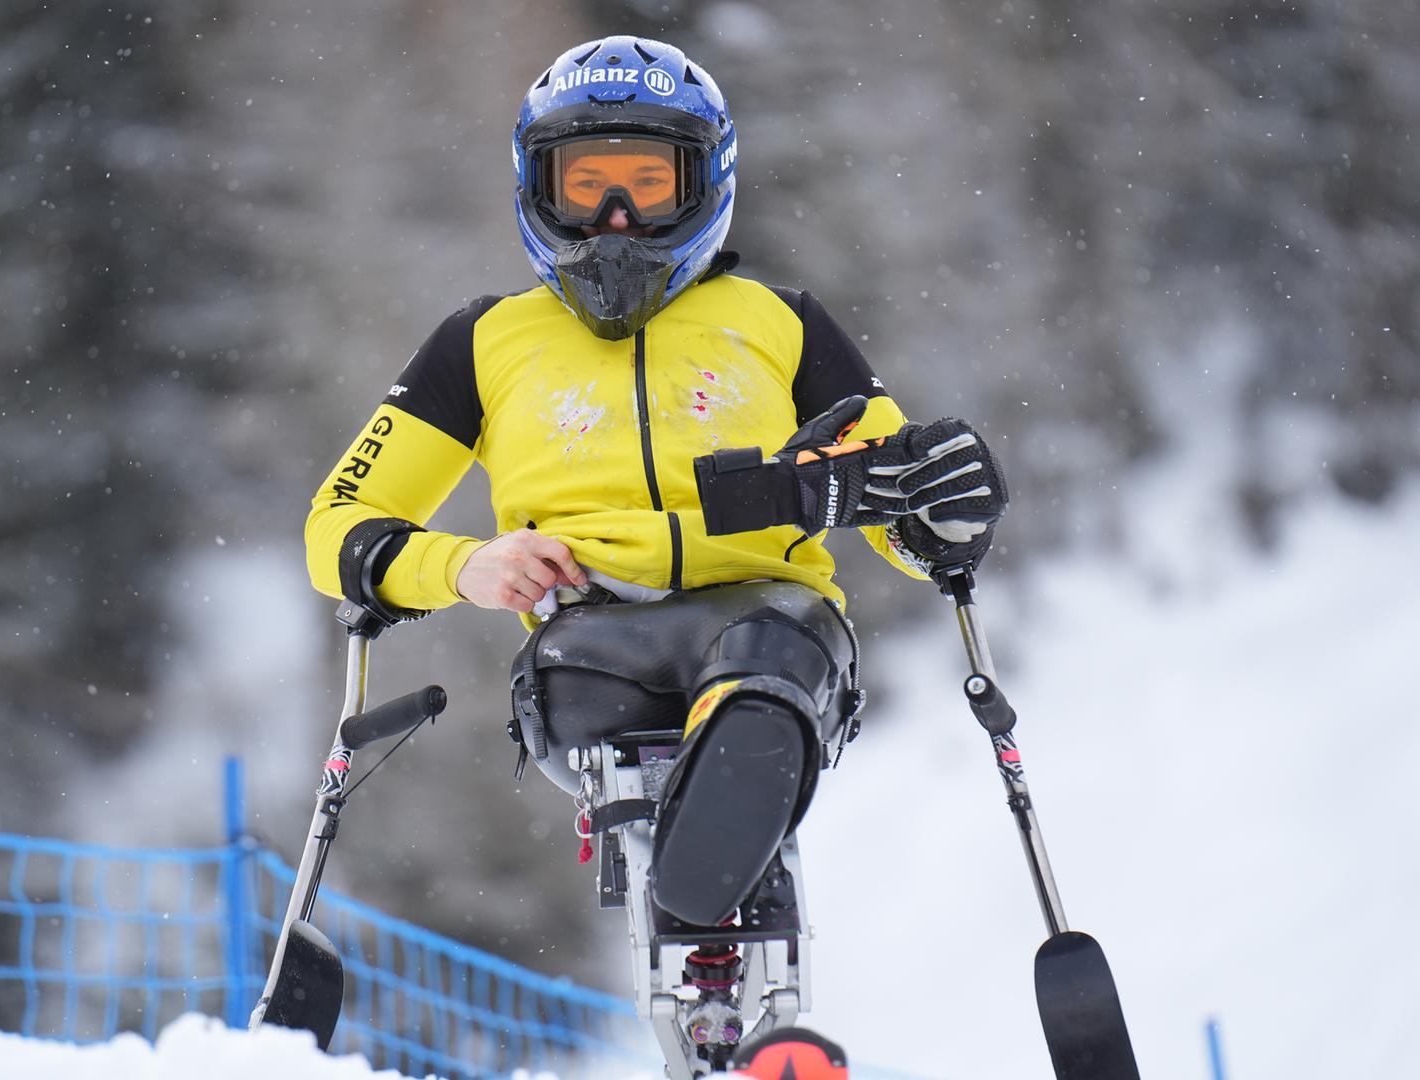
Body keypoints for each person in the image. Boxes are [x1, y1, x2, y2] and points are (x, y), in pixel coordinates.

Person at [304, 36, 1007, 931]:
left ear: (707, 181)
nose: (618, 217)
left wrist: (942, 514)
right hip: (587, 635)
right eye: (585, 185)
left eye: (648, 182)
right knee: (625, 690)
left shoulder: (780, 322)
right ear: (536, 188)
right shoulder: (484, 342)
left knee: (761, 666)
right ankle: (706, 883)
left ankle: (717, 851)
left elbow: (896, 509)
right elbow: (338, 525)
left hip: (768, 618)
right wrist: (465, 566)